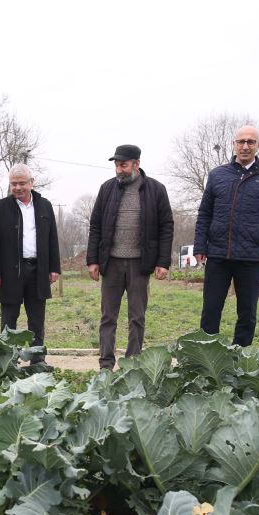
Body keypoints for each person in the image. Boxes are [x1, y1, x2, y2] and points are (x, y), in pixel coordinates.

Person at [194, 125, 259, 347]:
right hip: (217, 254)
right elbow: (205, 213)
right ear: (234, 144)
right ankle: (207, 356)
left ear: (258, 146)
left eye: (250, 142)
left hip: (251, 256)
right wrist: (199, 246)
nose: (245, 146)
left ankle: (240, 358)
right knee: (211, 310)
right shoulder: (217, 175)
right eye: (241, 141)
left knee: (247, 313)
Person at [87, 144, 174, 370]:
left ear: (137, 164)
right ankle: (106, 364)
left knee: (137, 317)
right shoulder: (107, 189)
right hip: (111, 263)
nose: (118, 170)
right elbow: (95, 225)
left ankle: (132, 364)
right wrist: (93, 260)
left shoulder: (156, 189)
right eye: (116, 165)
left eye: (123, 165)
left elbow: (166, 227)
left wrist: (163, 262)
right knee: (108, 317)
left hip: (140, 264)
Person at [0, 164, 61, 360]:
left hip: (38, 270)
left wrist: (54, 267)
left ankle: (37, 361)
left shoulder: (45, 206)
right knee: (9, 319)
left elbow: (52, 238)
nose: (17, 188)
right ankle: (7, 361)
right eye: (13, 184)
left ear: (31, 183)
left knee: (37, 319)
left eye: (21, 183)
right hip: (11, 272)